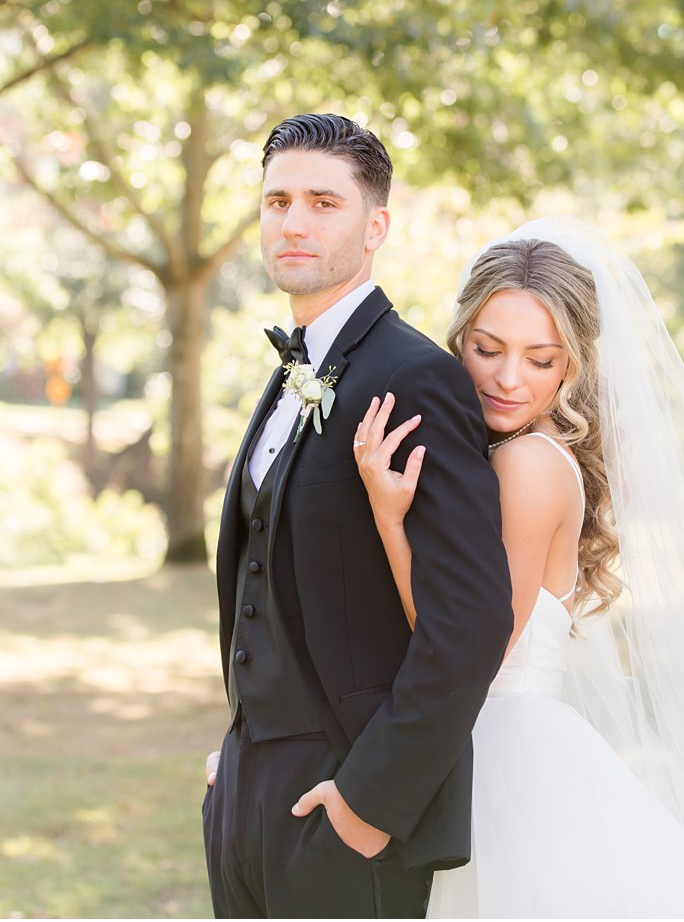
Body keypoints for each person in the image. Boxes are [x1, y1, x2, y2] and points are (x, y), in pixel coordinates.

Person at [352, 220, 684, 918]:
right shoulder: (511, 454)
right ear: (457, 338)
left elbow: (468, 651)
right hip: (494, 747)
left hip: (505, 760)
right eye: (487, 348)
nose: (507, 378)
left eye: (541, 358)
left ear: (573, 366)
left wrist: (388, 519)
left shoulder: (526, 463)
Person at [201, 113, 515, 918]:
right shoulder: (291, 370)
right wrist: (238, 762)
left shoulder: (417, 377)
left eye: (322, 202)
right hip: (246, 796)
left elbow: (471, 621)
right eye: (276, 202)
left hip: (347, 806)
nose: (293, 222)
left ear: (375, 226)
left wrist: (371, 802)